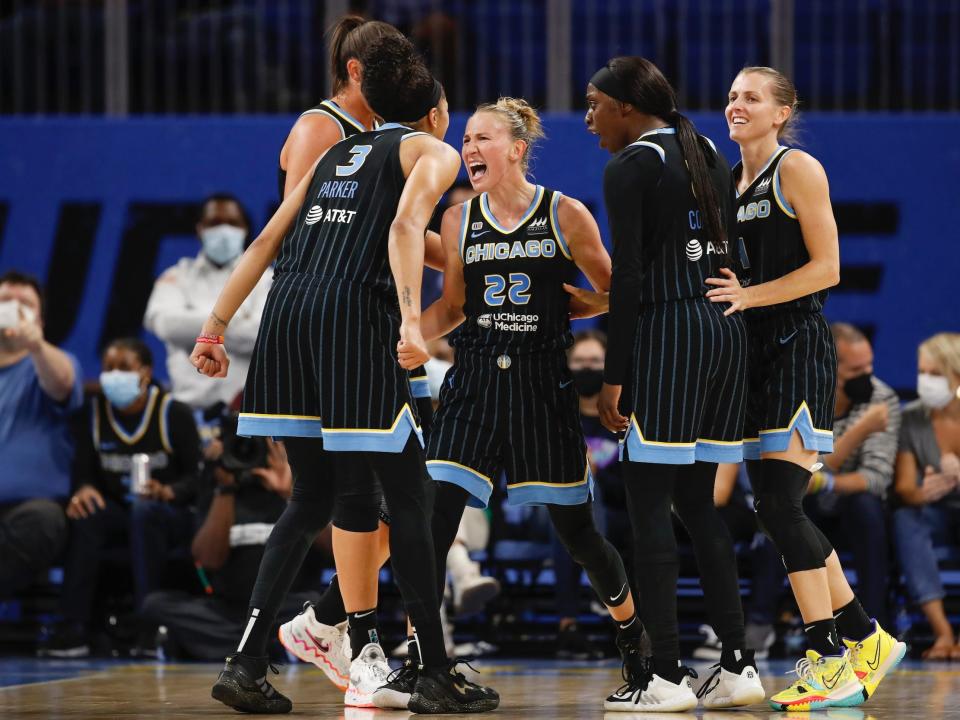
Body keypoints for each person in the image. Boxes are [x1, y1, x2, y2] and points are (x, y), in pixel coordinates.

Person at [191, 34, 498, 714]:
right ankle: (434, 673)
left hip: (285, 319)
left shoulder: (333, 151)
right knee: (413, 500)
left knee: (312, 497)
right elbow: (403, 231)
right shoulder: (429, 150)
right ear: (437, 111)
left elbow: (268, 238)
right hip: (350, 323)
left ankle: (245, 661)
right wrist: (414, 324)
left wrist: (215, 327)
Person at [404, 96, 640, 709]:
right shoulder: (458, 221)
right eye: (466, 140)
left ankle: (633, 640)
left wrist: (585, 305)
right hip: (475, 380)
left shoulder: (565, 214)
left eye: (483, 138)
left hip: (542, 385)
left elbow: (616, 289)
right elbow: (455, 308)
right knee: (432, 524)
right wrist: (407, 340)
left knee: (579, 533)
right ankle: (425, 663)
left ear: (517, 148)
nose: (469, 149)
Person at [710, 66, 905, 710]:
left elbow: (828, 268)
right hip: (749, 356)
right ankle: (865, 638)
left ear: (782, 112)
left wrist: (750, 295)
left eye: (753, 97)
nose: (737, 105)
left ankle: (827, 653)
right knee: (772, 507)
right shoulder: (725, 181)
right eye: (733, 95)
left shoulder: (798, 169)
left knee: (780, 505)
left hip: (796, 345)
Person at [271, 16, 450, 699]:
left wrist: (455, 260)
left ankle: (326, 622)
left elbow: (401, 233)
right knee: (347, 495)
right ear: (360, 75)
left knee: (406, 496)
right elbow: (300, 237)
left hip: (371, 326)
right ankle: (312, 638)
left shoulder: (391, 148)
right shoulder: (328, 132)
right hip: (331, 326)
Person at [585, 57, 763, 713]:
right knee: (698, 504)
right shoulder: (707, 147)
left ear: (628, 109)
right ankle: (738, 664)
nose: (589, 117)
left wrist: (615, 377)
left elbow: (628, 278)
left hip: (670, 332)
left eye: (595, 104)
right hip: (722, 329)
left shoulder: (632, 165)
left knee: (648, 504)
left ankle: (662, 674)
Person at [42, 338, 202, 657]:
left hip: (168, 513)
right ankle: (74, 626)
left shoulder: (174, 412)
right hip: (119, 510)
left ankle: (150, 623)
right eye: (108, 369)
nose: (114, 375)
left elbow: (197, 477)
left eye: (124, 368)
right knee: (86, 512)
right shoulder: (94, 413)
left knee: (145, 512)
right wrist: (83, 488)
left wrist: (170, 491)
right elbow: (84, 471)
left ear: (145, 372)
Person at [141, 437, 323, 661]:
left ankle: (240, 646)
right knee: (155, 605)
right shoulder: (218, 487)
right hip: (227, 609)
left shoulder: (300, 484)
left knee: (323, 604)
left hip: (287, 606)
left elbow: (333, 548)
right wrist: (225, 488)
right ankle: (270, 644)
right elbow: (208, 560)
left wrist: (293, 493)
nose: (249, 455)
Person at [805, 322, 900, 628]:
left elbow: (875, 478)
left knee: (866, 507)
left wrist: (824, 481)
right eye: (857, 370)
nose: (867, 376)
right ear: (831, 366)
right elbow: (798, 477)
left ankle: (875, 626)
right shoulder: (805, 397)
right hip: (810, 505)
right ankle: (761, 627)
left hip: (853, 508)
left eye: (870, 365)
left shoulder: (881, 400)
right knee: (781, 512)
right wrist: (858, 432)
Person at [144, 194, 271, 410]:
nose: (224, 231)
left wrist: (199, 328)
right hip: (187, 411)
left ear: (245, 228)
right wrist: (238, 319)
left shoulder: (266, 278)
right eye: (215, 223)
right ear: (200, 229)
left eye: (232, 223)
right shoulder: (176, 277)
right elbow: (166, 325)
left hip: (247, 411)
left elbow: (265, 334)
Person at [0, 271, 80, 593]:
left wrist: (35, 346)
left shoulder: (52, 364)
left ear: (40, 320)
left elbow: (61, 384)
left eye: (25, 303)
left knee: (41, 521)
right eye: (5, 301)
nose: (14, 308)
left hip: (28, 512)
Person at [892, 332, 960, 660]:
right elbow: (905, 487)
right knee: (905, 517)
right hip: (933, 509)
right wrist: (924, 491)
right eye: (922, 373)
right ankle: (942, 632)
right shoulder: (911, 418)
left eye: (935, 374)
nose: (926, 381)